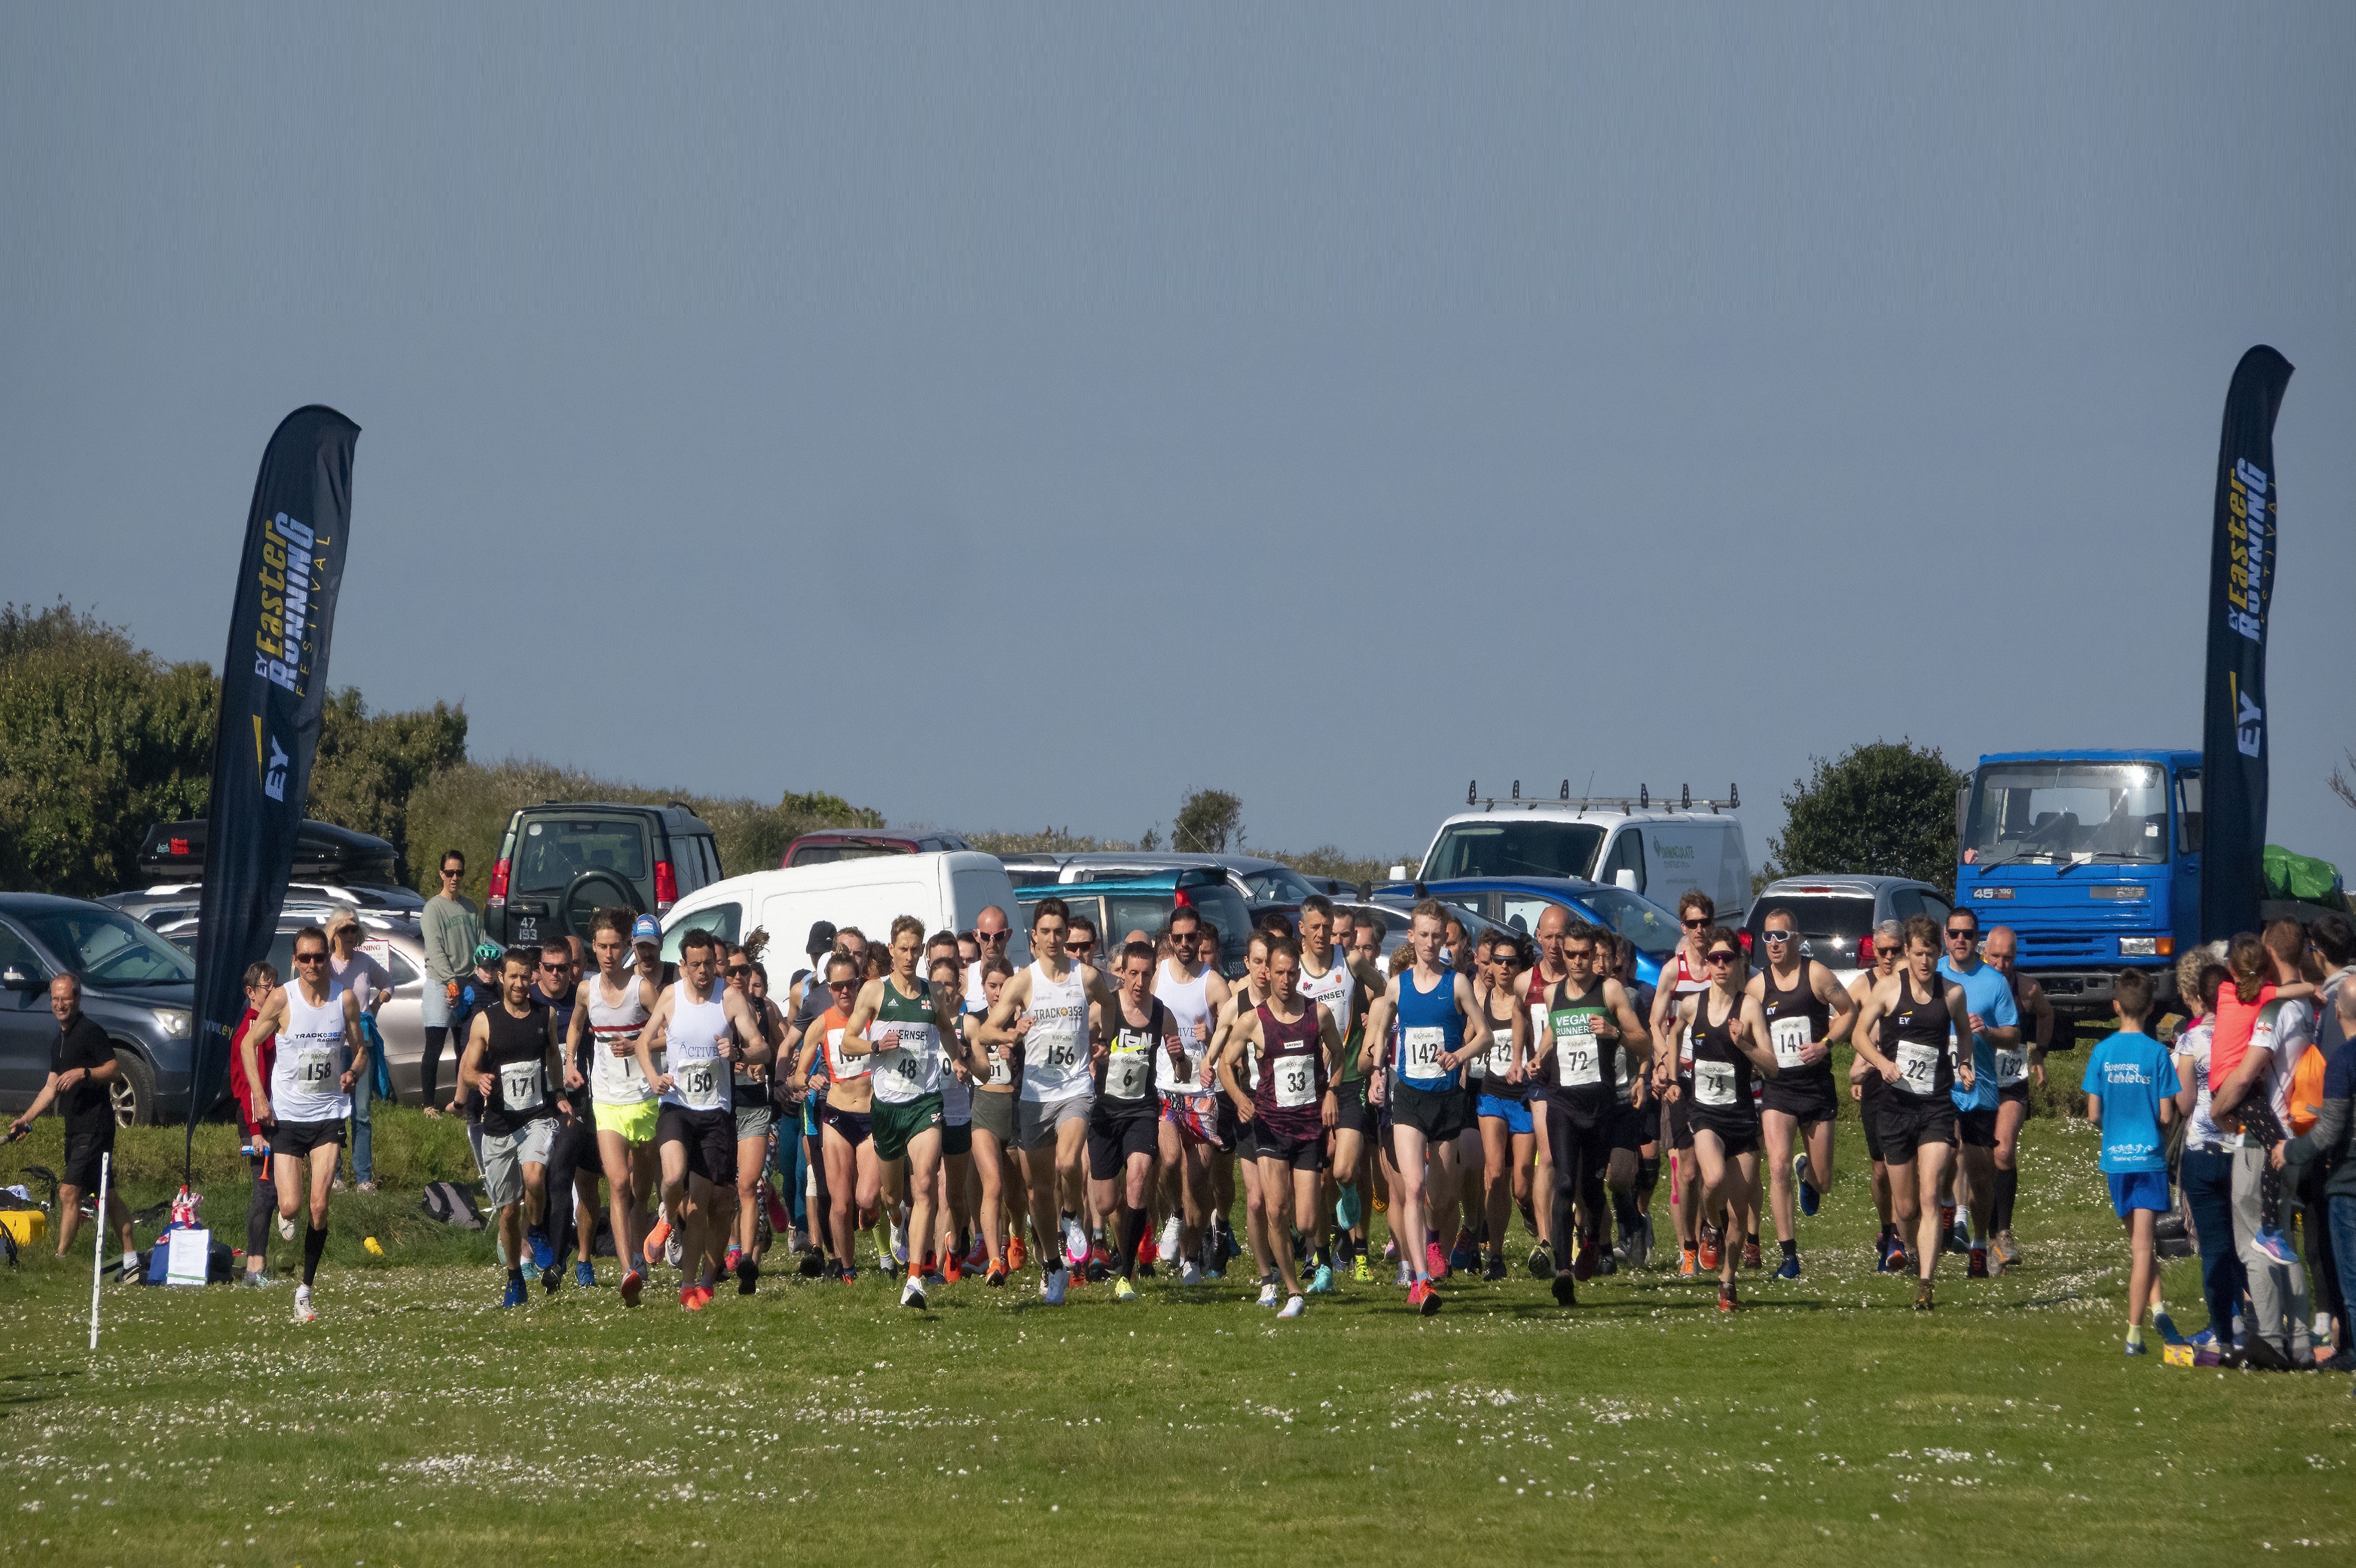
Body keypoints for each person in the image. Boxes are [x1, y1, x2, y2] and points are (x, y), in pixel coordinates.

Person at [975, 897, 1120, 1306]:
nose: (1054, 940)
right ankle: (1053, 1265)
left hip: (1074, 1089)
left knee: (1069, 1162)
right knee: (1039, 1190)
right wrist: (1011, 1034)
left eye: (1060, 932)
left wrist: (1104, 1042)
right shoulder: (1024, 982)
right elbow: (986, 1031)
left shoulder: (1086, 977)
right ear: (1034, 937)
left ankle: (1073, 1215)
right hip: (1035, 1096)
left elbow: (1109, 1004)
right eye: (1047, 932)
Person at [1358, 900, 1491, 1314]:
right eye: (1424, 935)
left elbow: (1485, 1035)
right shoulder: (1397, 986)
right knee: (1412, 1187)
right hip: (1410, 1098)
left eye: (1438, 936)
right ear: (1411, 937)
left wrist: (1461, 1053)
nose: (1431, 943)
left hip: (1447, 1099)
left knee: (1441, 1196)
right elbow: (1379, 1033)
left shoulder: (1458, 985)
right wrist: (1379, 1073)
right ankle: (1420, 1280)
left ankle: (1435, 1240)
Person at [236, 927, 369, 1322]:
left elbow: (360, 1050)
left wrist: (354, 1073)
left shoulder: (344, 999)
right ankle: (285, 1215)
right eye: (305, 958)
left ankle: (305, 1291)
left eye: (320, 958)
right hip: (289, 1117)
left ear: (329, 957)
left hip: (328, 1113)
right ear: (295, 961)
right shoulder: (282, 998)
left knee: (319, 1204)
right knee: (292, 1205)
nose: (313, 965)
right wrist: (259, 1096)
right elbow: (248, 1043)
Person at [631, 927, 767, 1310]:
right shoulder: (671, 996)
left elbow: (763, 1049)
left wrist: (740, 1052)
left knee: (707, 1203)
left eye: (709, 963)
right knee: (673, 1178)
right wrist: (654, 1077)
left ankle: (692, 1284)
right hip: (677, 1105)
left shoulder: (731, 998)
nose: (704, 971)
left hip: (716, 1113)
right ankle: (667, 1219)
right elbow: (643, 1043)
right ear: (684, 966)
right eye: (696, 965)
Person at [1849, 915, 1976, 1310]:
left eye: (1931, 954)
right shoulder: (1887, 990)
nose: (1924, 962)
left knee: (1929, 1195)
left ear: (1940, 953)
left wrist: (1965, 1063)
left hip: (1935, 1108)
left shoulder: (1952, 994)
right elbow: (1857, 1035)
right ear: (1907, 952)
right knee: (1904, 1208)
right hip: (1895, 1108)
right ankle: (1913, 1249)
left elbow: (1964, 1032)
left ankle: (1926, 1284)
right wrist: (1880, 1062)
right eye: (1918, 954)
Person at [2210, 921, 2319, 1364]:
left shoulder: (2273, 1011)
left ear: (2270, 953)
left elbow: (2243, 1075)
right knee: (2279, 1240)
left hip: (2261, 1141)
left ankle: (2270, 1341)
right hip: (2296, 1139)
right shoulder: (2310, 1009)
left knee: (2252, 1239)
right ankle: (2302, 1343)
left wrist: (2218, 1109)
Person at [1220, 934, 1344, 1318]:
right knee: (1275, 1209)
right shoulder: (1252, 1022)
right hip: (1270, 1126)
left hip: (1308, 1127)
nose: (1287, 980)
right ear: (1268, 975)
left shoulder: (1317, 1015)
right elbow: (1225, 1063)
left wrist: (1331, 1093)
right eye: (1280, 973)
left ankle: (1297, 1258)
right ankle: (1289, 1290)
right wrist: (1241, 1099)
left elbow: (1338, 1054)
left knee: (1305, 1221)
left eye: (1293, 973)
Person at [841, 915, 961, 1309]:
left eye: (916, 949)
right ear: (891, 950)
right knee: (891, 1195)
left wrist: (960, 1061)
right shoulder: (876, 992)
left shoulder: (933, 995)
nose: (909, 956)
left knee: (925, 1182)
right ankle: (897, 1222)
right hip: (887, 1107)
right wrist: (877, 1047)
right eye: (903, 949)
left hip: (925, 1102)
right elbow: (848, 1042)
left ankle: (915, 1280)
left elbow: (945, 1030)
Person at [1534, 923, 1653, 1305]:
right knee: (1564, 1182)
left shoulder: (1610, 991)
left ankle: (1590, 1240)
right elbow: (1552, 1033)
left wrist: (1614, 1031)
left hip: (1600, 1106)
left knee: (1591, 1189)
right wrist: (1537, 1058)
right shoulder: (1554, 993)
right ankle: (1562, 1270)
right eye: (1571, 955)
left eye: (1585, 954)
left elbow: (1644, 1043)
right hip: (1563, 1103)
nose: (1579, 962)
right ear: (1563, 955)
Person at [1667, 929, 1780, 1311]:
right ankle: (1709, 1230)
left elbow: (1773, 1068)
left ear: (1738, 964)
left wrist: (1745, 1045)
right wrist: (1669, 1075)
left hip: (1742, 1118)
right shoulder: (1691, 1004)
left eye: (1726, 959)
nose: (1719, 965)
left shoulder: (1748, 1007)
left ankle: (1727, 1283)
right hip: (1705, 1114)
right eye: (1714, 959)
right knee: (1711, 1177)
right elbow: (1673, 1031)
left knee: (1740, 1214)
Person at [8, 974, 137, 1279]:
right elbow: (51, 1086)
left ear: (77, 999)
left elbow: (115, 1069)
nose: (60, 1004)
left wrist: (85, 1073)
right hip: (76, 1127)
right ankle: (132, 1257)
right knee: (107, 1195)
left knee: (68, 1193)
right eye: (55, 999)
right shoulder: (60, 1042)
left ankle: (60, 1259)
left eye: (66, 998)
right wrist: (26, 1119)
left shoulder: (91, 1033)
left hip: (95, 1126)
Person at [457, 947, 567, 1305]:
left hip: (536, 1116)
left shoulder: (545, 1015)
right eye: (513, 976)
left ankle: (536, 1232)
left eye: (526, 976)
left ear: (532, 976)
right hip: (500, 1125)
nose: (520, 983)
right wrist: (480, 1080)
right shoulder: (485, 1021)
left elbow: (552, 1055)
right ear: (501, 978)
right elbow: (467, 1069)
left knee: (535, 1177)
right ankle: (515, 1277)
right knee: (507, 1211)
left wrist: (560, 1091)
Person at [2083, 969, 2184, 1355]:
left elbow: (2093, 1114)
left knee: (2139, 1247)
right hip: (2148, 1159)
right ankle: (2134, 1334)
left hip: (2116, 1161)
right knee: (2144, 1250)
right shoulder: (2158, 1053)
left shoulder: (2102, 1051)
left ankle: (2159, 1310)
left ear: (2114, 1006)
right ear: (2152, 1008)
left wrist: (2114, 1129)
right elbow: (2165, 1114)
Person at [570, 909, 659, 1306]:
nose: (608, 954)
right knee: (618, 1185)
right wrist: (571, 1061)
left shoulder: (642, 989)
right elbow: (575, 1026)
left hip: (645, 1098)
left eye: (615, 947)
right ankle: (628, 1271)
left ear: (626, 948)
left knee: (644, 1188)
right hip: (606, 1099)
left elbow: (668, 1033)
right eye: (602, 947)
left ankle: (645, 1248)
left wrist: (639, 1044)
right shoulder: (587, 991)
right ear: (594, 948)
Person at [1292, 895, 1381, 1286]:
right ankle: (1324, 1262)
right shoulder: (1292, 971)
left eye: (1326, 928)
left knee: (1344, 1169)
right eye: (1314, 928)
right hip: (1308, 1083)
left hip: (1347, 1080)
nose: (1321, 935)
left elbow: (1384, 992)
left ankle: (1351, 1199)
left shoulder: (1350, 961)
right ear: (1302, 929)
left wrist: (1373, 1032)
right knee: (1320, 1175)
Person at [1091, 940, 1184, 1303]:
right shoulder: (1106, 1008)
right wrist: (1094, 1053)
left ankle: (1125, 1274)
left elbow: (1183, 1067)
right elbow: (1083, 1047)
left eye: (1147, 974)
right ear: (1122, 973)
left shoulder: (1162, 1014)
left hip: (1142, 1110)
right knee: (1105, 1201)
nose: (1139, 981)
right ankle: (1123, 1245)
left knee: (1139, 1177)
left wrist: (1180, 1059)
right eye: (1133, 974)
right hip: (1105, 1112)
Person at [2276, 980, 2356, 1375]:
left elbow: (2327, 1132)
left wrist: (2289, 1151)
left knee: (2352, 1279)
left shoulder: (2343, 1061)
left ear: (2338, 1014)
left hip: (2347, 1182)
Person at [1937, 908, 2021, 1279]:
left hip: (1980, 1090)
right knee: (1940, 1159)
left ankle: (1980, 1244)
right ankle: (1946, 1216)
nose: (1960, 940)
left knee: (1982, 1175)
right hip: (1938, 1089)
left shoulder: (1994, 982)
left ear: (1977, 939)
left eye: (1967, 934)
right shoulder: (1931, 973)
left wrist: (1986, 1030)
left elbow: (2014, 1034)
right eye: (1954, 933)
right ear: (1945, 935)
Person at [790, 951, 883, 1282]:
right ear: (829, 988)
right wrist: (808, 1079)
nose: (845, 991)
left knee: (866, 1196)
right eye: (837, 986)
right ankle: (847, 1269)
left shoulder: (874, 1017)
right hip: (837, 1116)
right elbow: (797, 1076)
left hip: (872, 1115)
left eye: (851, 984)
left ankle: (874, 1211)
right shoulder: (822, 1024)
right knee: (840, 1205)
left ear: (860, 983)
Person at [1154, 904, 1231, 1286]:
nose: (1185, 944)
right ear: (1171, 940)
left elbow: (1233, 1028)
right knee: (1168, 1162)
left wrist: (1212, 1037)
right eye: (1178, 938)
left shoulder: (1213, 983)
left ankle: (1191, 1257)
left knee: (1199, 1180)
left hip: (1204, 1092)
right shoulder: (1159, 977)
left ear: (1201, 938)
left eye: (1192, 937)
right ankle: (1174, 1215)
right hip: (1167, 1088)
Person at [2173, 954, 2243, 1353]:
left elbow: (2184, 1104)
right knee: (2243, 1241)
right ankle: (2252, 1319)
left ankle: (2223, 1330)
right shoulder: (2245, 1037)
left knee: (2214, 1246)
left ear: (2200, 996)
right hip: (2240, 1147)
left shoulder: (2192, 1040)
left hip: (2202, 1146)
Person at [1650, 890, 1719, 1276]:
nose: (1699, 930)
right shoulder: (1673, 971)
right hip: (1682, 1079)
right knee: (1685, 1171)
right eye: (1692, 924)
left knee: (1715, 1170)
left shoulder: (1723, 965)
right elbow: (1656, 1023)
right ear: (1683, 926)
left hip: (1719, 1079)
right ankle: (1687, 1250)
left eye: (1704, 922)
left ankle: (1712, 1232)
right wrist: (1664, 1063)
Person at [1980, 926, 2053, 1266]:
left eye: (2008, 957)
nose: (2001, 964)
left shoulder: (2026, 988)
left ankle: (2004, 1234)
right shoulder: (1973, 983)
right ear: (1985, 953)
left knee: (2004, 1148)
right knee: (1976, 1161)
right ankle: (1983, 1231)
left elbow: (2046, 1014)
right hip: (1977, 1083)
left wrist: (2039, 1053)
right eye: (1995, 956)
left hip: (2011, 1084)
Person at [527, 937, 594, 1289]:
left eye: (563, 968)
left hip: (577, 1100)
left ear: (573, 968)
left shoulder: (582, 999)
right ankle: (535, 1244)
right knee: (537, 1180)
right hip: (535, 1105)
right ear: (539, 969)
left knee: (570, 1178)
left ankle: (568, 1259)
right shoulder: (529, 999)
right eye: (549, 968)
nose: (556, 974)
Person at [1468, 934, 1532, 1282]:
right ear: (1490, 964)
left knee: (1521, 1182)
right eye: (1499, 960)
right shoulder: (1482, 1001)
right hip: (1490, 1096)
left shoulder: (1527, 1000)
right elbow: (1467, 1040)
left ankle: (1531, 1213)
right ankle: (1496, 1254)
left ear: (1519, 967)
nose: (1505, 967)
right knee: (1494, 1174)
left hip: (1523, 1099)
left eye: (1512, 962)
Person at [724, 937, 788, 1287]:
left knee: (749, 1185)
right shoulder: (713, 1009)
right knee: (725, 1189)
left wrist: (774, 1077)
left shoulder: (764, 1009)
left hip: (755, 1106)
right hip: (721, 1107)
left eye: (743, 970)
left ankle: (748, 1261)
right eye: (731, 970)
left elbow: (780, 1049)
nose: (738, 976)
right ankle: (722, 1253)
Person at [321, 906, 391, 1193]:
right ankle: (334, 1176)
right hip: (333, 1046)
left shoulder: (364, 961)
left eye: (353, 930)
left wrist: (374, 1006)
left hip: (362, 1045)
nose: (349, 935)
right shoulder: (325, 963)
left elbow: (388, 983)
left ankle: (364, 1178)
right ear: (333, 934)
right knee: (333, 1111)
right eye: (344, 930)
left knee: (361, 1112)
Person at [1849, 919, 1905, 1270]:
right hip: (1875, 1086)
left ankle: (1900, 1236)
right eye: (1880, 951)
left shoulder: (1913, 983)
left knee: (1904, 1166)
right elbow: (1843, 1021)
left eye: (1894, 951)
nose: (1886, 958)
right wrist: (1862, 1062)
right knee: (1881, 1170)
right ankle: (1887, 1228)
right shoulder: (1863, 984)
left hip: (1910, 1085)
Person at [966, 955, 1024, 1284]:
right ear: (984, 988)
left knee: (1016, 1197)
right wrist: (967, 1063)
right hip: (985, 1109)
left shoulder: (1025, 1025)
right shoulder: (975, 1024)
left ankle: (1017, 1234)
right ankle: (994, 1261)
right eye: (992, 986)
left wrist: (1017, 1052)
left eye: (1004, 986)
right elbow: (964, 1056)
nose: (999, 993)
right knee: (994, 1185)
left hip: (1015, 1113)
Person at [226, 961, 282, 1285]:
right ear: (251, 993)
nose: (273, 992)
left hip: (271, 1116)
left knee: (272, 1192)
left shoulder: (268, 1024)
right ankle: (253, 1269)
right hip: (254, 1119)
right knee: (264, 1191)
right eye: (267, 987)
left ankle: (257, 1265)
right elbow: (250, 1088)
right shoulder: (250, 1031)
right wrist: (256, 1132)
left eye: (276, 985)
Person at [419, 849, 483, 1115]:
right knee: (434, 1047)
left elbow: (481, 944)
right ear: (441, 874)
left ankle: (463, 1103)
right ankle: (428, 1105)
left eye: (459, 872)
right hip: (440, 985)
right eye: (450, 873)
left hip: (468, 984)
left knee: (465, 1047)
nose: (454, 877)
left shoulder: (470, 907)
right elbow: (436, 950)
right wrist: (450, 983)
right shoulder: (433, 908)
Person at [930, 955, 978, 1283]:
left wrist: (968, 1060)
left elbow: (986, 1073)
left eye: (949, 984)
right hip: (928, 1114)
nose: (944, 990)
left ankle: (956, 1244)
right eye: (937, 984)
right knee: (932, 1189)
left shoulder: (967, 1024)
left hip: (960, 1115)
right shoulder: (922, 1022)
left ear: (958, 986)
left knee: (955, 1196)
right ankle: (932, 1267)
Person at [966, 905, 1013, 1012]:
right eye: (986, 936)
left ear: (1008, 935)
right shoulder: (966, 977)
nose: (992, 943)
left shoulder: (1021, 975)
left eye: (999, 936)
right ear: (976, 936)